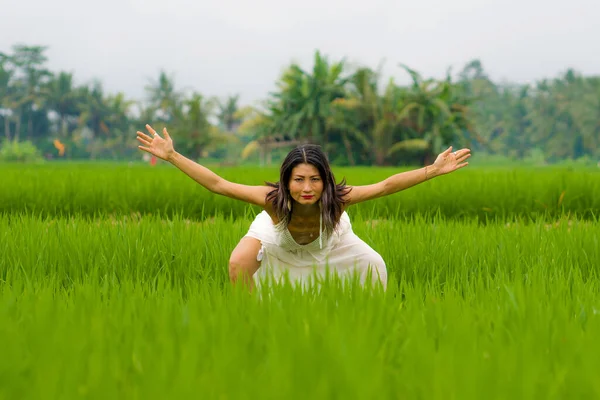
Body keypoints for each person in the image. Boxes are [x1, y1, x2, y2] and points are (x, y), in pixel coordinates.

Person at [136, 124, 471, 291]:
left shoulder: (338, 199)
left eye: (314, 179)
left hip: (331, 240)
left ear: (325, 180)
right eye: (298, 180)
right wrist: (172, 156)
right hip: (278, 236)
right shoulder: (273, 201)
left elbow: (385, 186)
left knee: (374, 264)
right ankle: (247, 321)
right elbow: (219, 185)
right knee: (238, 262)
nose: (307, 188)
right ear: (286, 181)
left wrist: (434, 169)